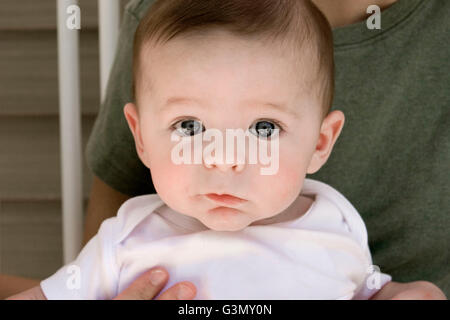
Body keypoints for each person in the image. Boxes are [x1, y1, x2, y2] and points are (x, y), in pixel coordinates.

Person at [2, 0, 448, 300]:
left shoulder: (334, 222)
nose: (223, 157)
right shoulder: (124, 240)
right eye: (190, 126)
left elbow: (371, 285)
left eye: (264, 128)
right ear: (141, 137)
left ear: (319, 143)